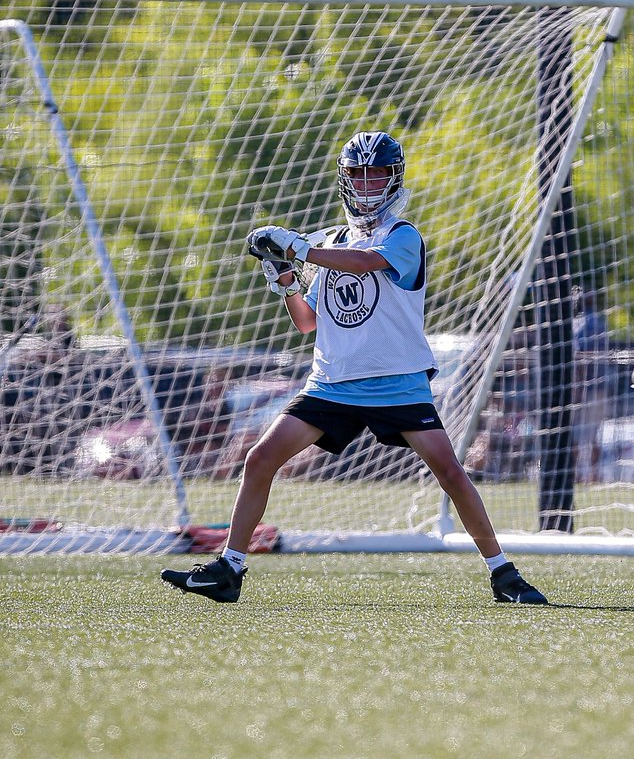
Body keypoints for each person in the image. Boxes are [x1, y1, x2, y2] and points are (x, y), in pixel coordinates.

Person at [162, 131, 547, 604]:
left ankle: (503, 573)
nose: (367, 185)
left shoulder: (403, 236)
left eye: (377, 175)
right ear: (345, 180)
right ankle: (230, 569)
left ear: (394, 179)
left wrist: (300, 251)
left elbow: (366, 264)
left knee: (449, 470)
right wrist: (285, 280)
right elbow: (308, 322)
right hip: (332, 383)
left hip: (396, 383)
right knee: (260, 459)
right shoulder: (330, 240)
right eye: (358, 176)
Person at [572, 286, 613, 482]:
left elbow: (579, 358)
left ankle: (577, 476)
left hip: (584, 389)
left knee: (576, 436)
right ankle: (594, 475)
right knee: (594, 435)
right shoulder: (601, 322)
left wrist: (578, 388)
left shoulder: (578, 324)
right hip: (601, 387)